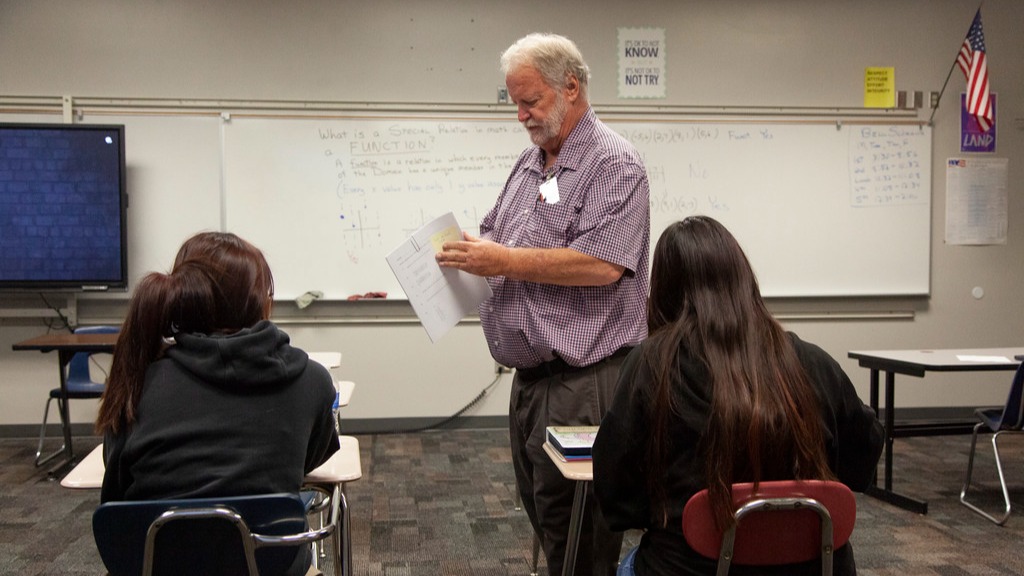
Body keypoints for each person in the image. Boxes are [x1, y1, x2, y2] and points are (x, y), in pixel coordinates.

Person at [436, 33, 650, 576]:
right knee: (547, 516)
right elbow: (496, 236)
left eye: (529, 100)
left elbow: (601, 264)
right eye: (514, 101)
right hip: (532, 382)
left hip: (587, 382)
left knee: (581, 535)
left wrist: (503, 259)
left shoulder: (614, 163)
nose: (520, 114)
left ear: (570, 87)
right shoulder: (531, 164)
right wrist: (468, 250)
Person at [592, 216, 884, 576]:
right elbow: (861, 463)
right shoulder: (812, 361)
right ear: (744, 280)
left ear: (663, 290)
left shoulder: (651, 366)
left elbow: (617, 497)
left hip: (687, 568)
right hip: (814, 568)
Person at [95, 231, 340, 576]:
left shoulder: (136, 381)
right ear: (261, 302)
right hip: (269, 564)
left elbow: (115, 485)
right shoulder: (312, 381)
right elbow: (306, 464)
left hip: (156, 566)